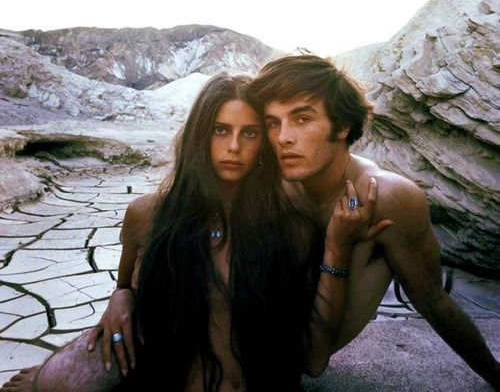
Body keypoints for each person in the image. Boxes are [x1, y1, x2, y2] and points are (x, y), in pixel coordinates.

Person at [1, 73, 388, 392]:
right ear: (199, 135)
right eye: (220, 130)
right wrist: (120, 298)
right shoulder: (147, 214)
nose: (233, 146)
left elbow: (315, 360)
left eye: (250, 133)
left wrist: (336, 250)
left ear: (264, 145)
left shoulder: (291, 227)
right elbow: (126, 285)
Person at [249, 53, 500, 388]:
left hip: (310, 351)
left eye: (302, 119)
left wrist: (494, 375)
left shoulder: (388, 196)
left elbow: (432, 299)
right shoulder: (272, 185)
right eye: (272, 123)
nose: (283, 138)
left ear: (341, 126)